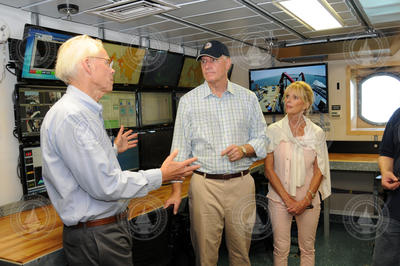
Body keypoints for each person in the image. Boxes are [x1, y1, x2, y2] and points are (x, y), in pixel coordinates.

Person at [40, 35, 200, 266]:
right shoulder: (73, 117)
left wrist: (113, 149)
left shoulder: (82, 113)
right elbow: (105, 185)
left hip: (103, 231)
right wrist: (162, 175)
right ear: (87, 65)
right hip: (98, 236)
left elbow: (87, 167)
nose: (112, 70)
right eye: (107, 63)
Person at [165, 40, 268, 266]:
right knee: (205, 254)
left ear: (228, 63)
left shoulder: (248, 98)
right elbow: (179, 151)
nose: (207, 65)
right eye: (203, 61)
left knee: (241, 253)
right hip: (205, 186)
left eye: (213, 60)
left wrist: (244, 149)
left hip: (241, 184)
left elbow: (263, 141)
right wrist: (175, 191)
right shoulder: (189, 102)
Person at [264, 81, 331, 266]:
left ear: (306, 104)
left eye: (295, 97)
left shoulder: (316, 133)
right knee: (280, 248)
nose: (288, 101)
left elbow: (320, 170)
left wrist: (305, 201)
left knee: (307, 248)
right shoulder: (273, 130)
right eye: (287, 96)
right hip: (279, 199)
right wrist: (288, 200)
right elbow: (269, 170)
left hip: (308, 200)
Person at [372, 108, 400, 266]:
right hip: (395, 208)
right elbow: (386, 152)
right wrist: (386, 171)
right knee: (383, 261)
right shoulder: (398, 115)